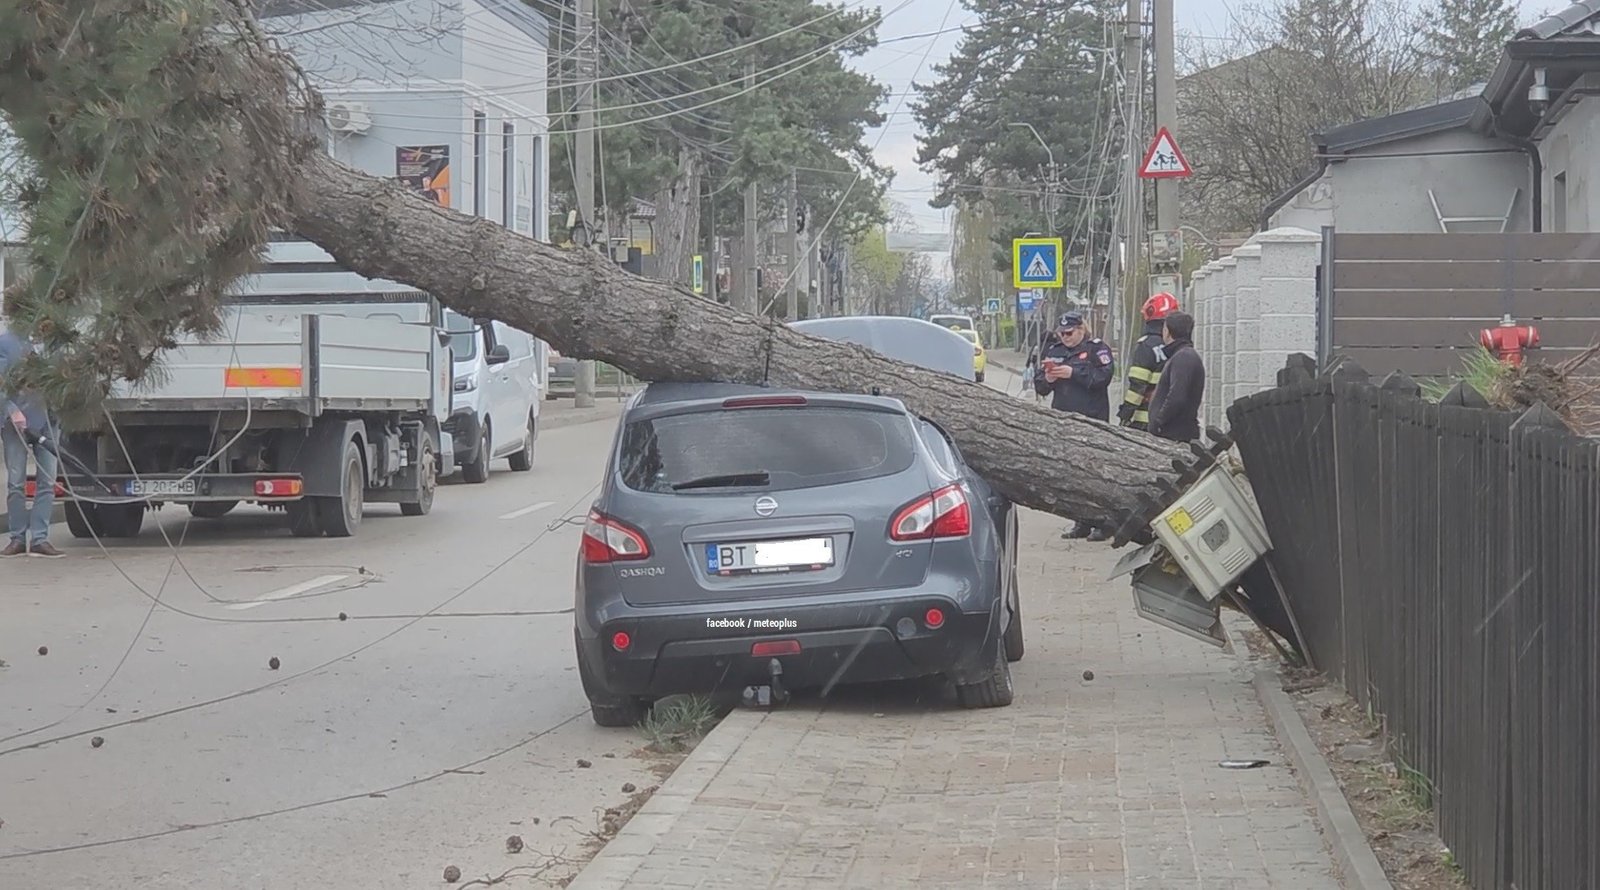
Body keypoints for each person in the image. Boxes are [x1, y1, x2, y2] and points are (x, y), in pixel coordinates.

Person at [1034, 311, 1116, 541]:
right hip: (1064, 420)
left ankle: (1103, 521)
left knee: (1095, 473)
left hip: (1092, 419)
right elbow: (1040, 385)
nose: (1066, 338)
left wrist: (1074, 372)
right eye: (1062, 334)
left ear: (1081, 329)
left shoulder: (1095, 349)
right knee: (1072, 475)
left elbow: (1104, 377)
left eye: (1069, 333)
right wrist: (1048, 379)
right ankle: (1081, 521)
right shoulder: (1055, 351)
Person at [1, 313, 63, 558]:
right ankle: (17, 538)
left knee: (47, 481)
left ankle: (40, 538)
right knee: (16, 482)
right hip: (17, 423)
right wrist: (11, 411)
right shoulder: (6, 343)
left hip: (49, 420)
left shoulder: (55, 344)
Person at [1119, 292, 1180, 431]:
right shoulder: (1181, 346)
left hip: (1146, 420)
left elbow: (1137, 385)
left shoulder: (1146, 345)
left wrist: (1125, 414)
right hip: (1173, 420)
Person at [1147, 311, 1205, 443]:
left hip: (1174, 436)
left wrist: (1158, 422)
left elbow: (1177, 396)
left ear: (1167, 331)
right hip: (1172, 434)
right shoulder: (1181, 355)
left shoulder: (1183, 357)